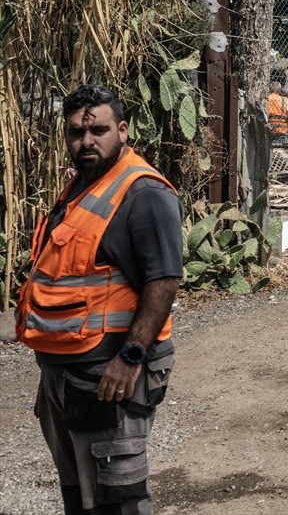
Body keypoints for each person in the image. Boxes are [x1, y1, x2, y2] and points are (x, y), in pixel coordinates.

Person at [17, 84, 183, 515]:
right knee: (81, 495)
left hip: (110, 372)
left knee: (118, 499)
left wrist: (130, 357)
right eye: (76, 133)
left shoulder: (143, 193)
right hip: (67, 371)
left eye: (99, 130)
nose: (86, 141)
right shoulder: (82, 184)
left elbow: (163, 280)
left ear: (123, 131)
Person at [267, 80, 288, 144]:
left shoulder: (266, 99)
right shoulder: (285, 100)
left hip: (269, 130)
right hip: (282, 131)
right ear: (279, 90)